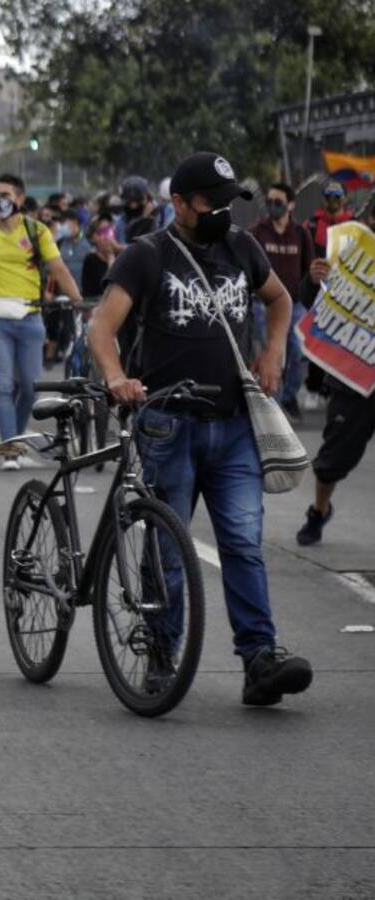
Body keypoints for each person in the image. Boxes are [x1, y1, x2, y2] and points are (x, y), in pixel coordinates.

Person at [88, 150, 313, 707]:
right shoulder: (147, 255)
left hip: (234, 424)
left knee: (242, 542)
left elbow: (280, 299)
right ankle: (162, 655)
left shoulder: (241, 246)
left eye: (228, 203)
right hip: (168, 424)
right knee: (166, 547)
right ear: (180, 204)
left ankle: (260, 658)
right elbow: (102, 327)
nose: (222, 213)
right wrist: (116, 377)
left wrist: (275, 348)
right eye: (211, 203)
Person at [0, 174, 83, 470]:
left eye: (5, 195)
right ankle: (10, 449)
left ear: (19, 199)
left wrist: (79, 301)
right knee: (3, 385)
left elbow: (58, 269)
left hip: (30, 318)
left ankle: (15, 438)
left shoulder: (37, 231)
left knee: (31, 388)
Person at [296, 195, 375, 546]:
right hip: (352, 378)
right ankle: (318, 511)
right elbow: (311, 301)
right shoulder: (352, 253)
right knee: (331, 461)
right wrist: (314, 279)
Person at [249, 182, 316, 418]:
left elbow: (309, 270)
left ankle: (288, 397)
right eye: (269, 202)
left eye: (278, 202)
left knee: (297, 353)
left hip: (295, 305)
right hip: (263, 306)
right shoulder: (257, 232)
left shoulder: (301, 234)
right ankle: (273, 407)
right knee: (272, 355)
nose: (272, 207)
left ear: (290, 204)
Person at [308, 181, 353, 257]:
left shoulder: (354, 224)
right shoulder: (311, 224)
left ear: (345, 199)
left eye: (337, 196)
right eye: (328, 196)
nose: (332, 200)